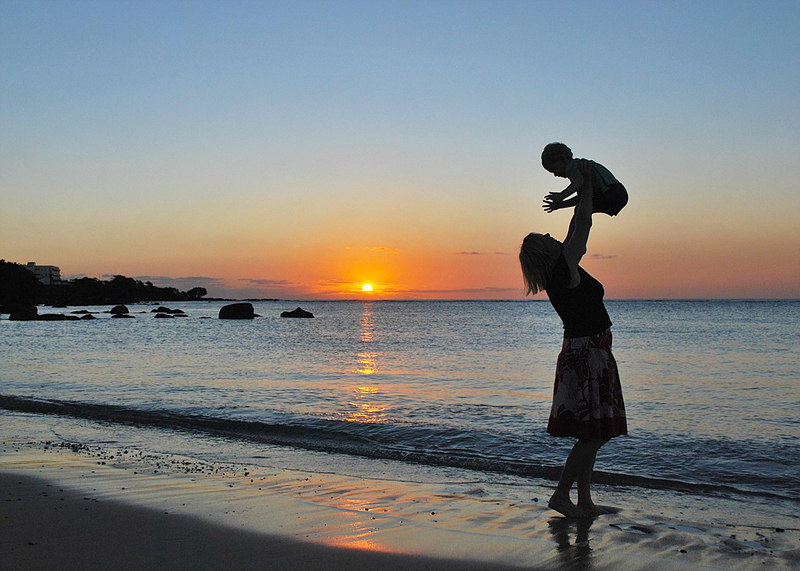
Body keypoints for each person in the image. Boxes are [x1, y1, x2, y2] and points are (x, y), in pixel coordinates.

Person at [519, 163, 627, 518]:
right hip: (587, 355)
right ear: (546, 251)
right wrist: (588, 194)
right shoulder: (565, 266)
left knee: (593, 432)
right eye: (547, 239)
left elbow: (576, 224)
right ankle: (562, 496)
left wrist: (580, 195)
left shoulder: (558, 271)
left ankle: (584, 501)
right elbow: (583, 224)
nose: (554, 238)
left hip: (586, 352)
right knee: (594, 435)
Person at [541, 142, 628, 218]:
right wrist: (560, 205)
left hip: (613, 192)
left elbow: (578, 183)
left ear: (563, 159)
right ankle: (573, 236)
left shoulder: (575, 167)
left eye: (555, 169)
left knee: (581, 210)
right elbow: (582, 198)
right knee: (581, 208)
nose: (555, 175)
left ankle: (574, 236)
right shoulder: (578, 169)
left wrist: (561, 195)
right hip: (618, 193)